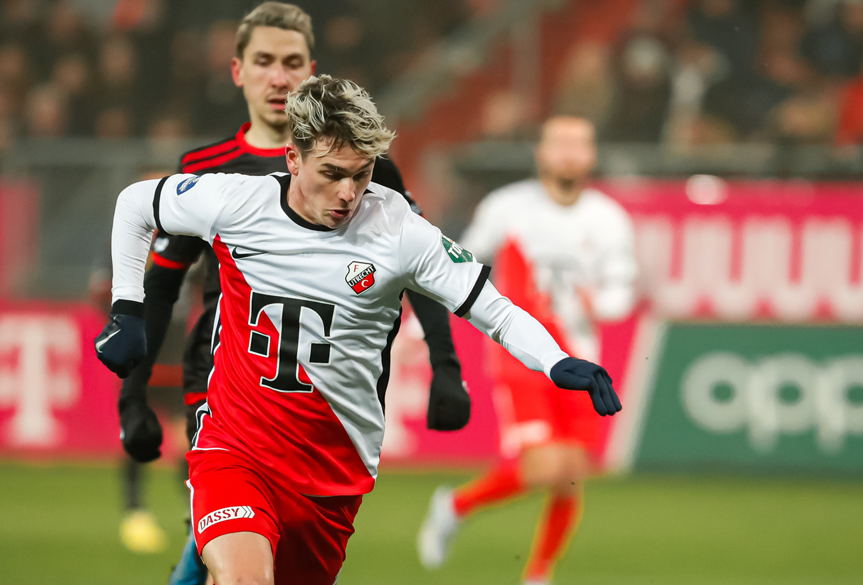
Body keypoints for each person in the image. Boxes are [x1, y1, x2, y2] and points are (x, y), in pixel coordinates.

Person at [94, 73, 622, 585]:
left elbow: (494, 309)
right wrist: (127, 309)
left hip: (333, 469)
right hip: (236, 447)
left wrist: (555, 360)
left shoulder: (399, 230)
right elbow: (136, 204)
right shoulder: (235, 202)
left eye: (362, 174)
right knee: (246, 578)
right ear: (293, 158)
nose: (348, 192)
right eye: (332, 173)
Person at [109, 4, 470, 581]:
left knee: (226, 555)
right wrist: (133, 396)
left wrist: (447, 366)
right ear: (238, 72)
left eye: (292, 63)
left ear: (311, 71)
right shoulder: (206, 169)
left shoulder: (366, 169)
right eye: (264, 61)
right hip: (225, 386)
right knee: (229, 550)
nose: (278, 77)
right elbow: (162, 286)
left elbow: (423, 268)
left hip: (322, 406)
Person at [416, 116, 637, 585]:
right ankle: (456, 505)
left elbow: (622, 289)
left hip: (581, 357)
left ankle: (538, 574)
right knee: (544, 466)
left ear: (592, 155)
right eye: (559, 143)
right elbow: (460, 262)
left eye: (579, 144)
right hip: (523, 356)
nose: (569, 153)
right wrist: (425, 324)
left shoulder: (609, 218)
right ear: (541, 153)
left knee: (571, 473)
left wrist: (601, 304)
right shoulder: (507, 207)